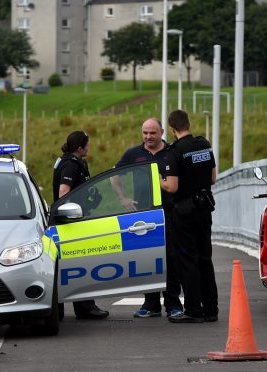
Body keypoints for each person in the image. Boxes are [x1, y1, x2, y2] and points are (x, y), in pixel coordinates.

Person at [111, 118, 183, 318]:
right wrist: (123, 198)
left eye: (152, 133)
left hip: (168, 213)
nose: (148, 137)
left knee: (170, 259)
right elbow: (114, 176)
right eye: (145, 133)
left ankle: (173, 304)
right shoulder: (133, 154)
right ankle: (151, 304)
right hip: (143, 216)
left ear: (161, 132)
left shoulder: (172, 152)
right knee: (148, 259)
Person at [160, 109, 218, 323]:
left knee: (187, 261)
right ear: (189, 124)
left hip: (184, 214)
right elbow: (213, 179)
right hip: (204, 209)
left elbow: (172, 186)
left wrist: (159, 180)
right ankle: (211, 309)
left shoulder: (174, 153)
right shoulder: (204, 145)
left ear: (172, 129)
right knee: (205, 258)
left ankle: (194, 309)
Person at [52, 130, 109, 319]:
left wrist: (91, 203)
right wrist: (72, 215)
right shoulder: (71, 165)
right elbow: (63, 191)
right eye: (87, 143)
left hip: (73, 219)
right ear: (80, 147)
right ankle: (85, 307)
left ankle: (72, 307)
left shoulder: (68, 161)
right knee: (82, 263)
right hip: (73, 222)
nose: (89, 146)